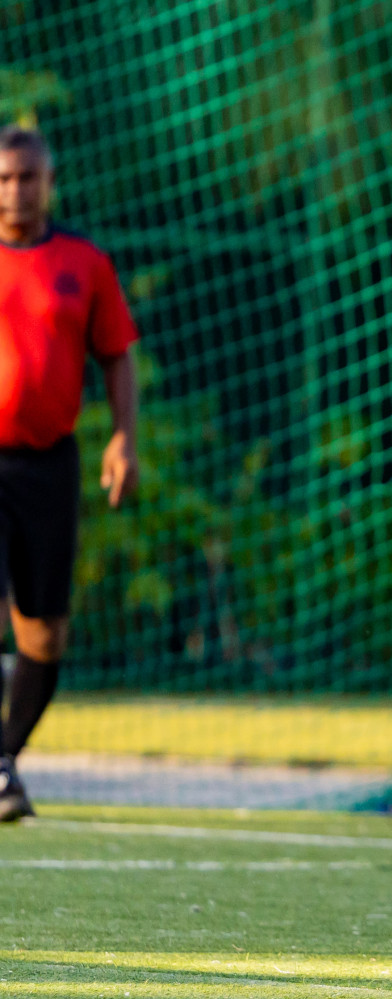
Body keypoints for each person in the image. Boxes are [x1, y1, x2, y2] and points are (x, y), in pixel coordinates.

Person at [0, 126, 140, 821]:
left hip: (51, 464)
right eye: (4, 178)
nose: (15, 189)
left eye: (27, 177)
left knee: (45, 635)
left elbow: (116, 353)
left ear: (50, 180)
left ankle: (3, 759)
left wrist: (124, 438)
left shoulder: (84, 262)